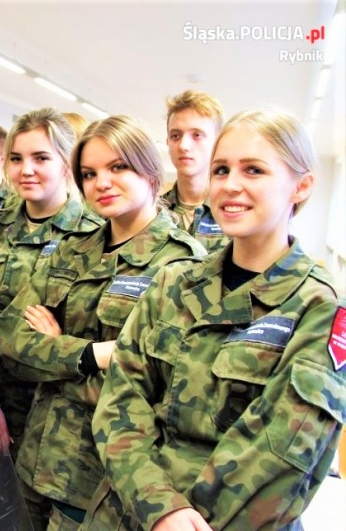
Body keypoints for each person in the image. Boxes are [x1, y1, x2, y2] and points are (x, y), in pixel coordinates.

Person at [83, 108, 345, 530]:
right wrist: (158, 505)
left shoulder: (320, 307)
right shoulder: (174, 282)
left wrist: (180, 519)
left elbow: (283, 452)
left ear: (301, 186)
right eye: (221, 170)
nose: (230, 185)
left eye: (253, 170)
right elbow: (120, 400)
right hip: (126, 511)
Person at [0, 116, 206, 529]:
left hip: (98, 483)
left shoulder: (183, 265)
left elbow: (156, 387)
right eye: (89, 174)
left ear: (149, 171)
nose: (101, 183)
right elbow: (12, 339)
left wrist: (52, 358)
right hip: (34, 461)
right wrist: (92, 355)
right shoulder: (73, 250)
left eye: (118, 167)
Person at [0, 108, 102, 528]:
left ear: (67, 162)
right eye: (16, 158)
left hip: (54, 418)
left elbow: (71, 346)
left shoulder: (93, 234)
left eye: (41, 158)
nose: (26, 169)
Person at [162, 90, 229, 253]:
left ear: (217, 142)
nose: (183, 145)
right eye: (175, 136)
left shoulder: (233, 210)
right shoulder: (154, 213)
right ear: (168, 142)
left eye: (197, 135)